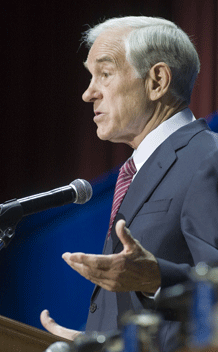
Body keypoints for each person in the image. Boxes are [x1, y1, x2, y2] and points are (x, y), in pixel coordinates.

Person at [40, 16, 218, 351]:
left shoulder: (208, 159)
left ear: (157, 81)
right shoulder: (138, 170)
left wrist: (156, 278)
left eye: (104, 74)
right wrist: (102, 342)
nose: (88, 93)